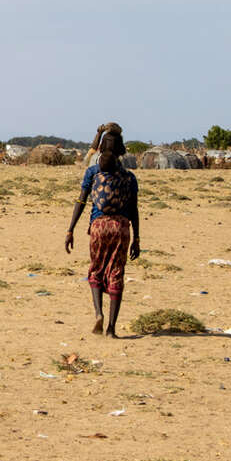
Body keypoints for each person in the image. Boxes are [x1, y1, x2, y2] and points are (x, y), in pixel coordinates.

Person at [65, 123, 141, 336]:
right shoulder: (129, 177)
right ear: (121, 150)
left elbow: (81, 201)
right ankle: (111, 329)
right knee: (116, 273)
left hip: (98, 227)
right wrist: (137, 238)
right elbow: (134, 209)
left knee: (96, 269)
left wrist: (70, 230)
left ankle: (98, 313)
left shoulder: (92, 171)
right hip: (121, 228)